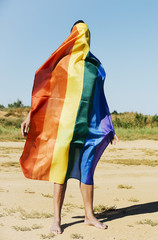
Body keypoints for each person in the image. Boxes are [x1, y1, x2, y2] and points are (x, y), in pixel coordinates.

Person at [20, 20, 117, 234]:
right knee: (60, 171)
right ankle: (56, 219)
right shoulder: (62, 63)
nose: (82, 36)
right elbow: (46, 94)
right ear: (71, 36)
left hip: (90, 129)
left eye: (86, 33)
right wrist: (30, 116)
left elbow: (100, 98)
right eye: (78, 32)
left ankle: (89, 216)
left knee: (87, 172)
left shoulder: (95, 67)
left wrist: (108, 126)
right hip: (65, 128)